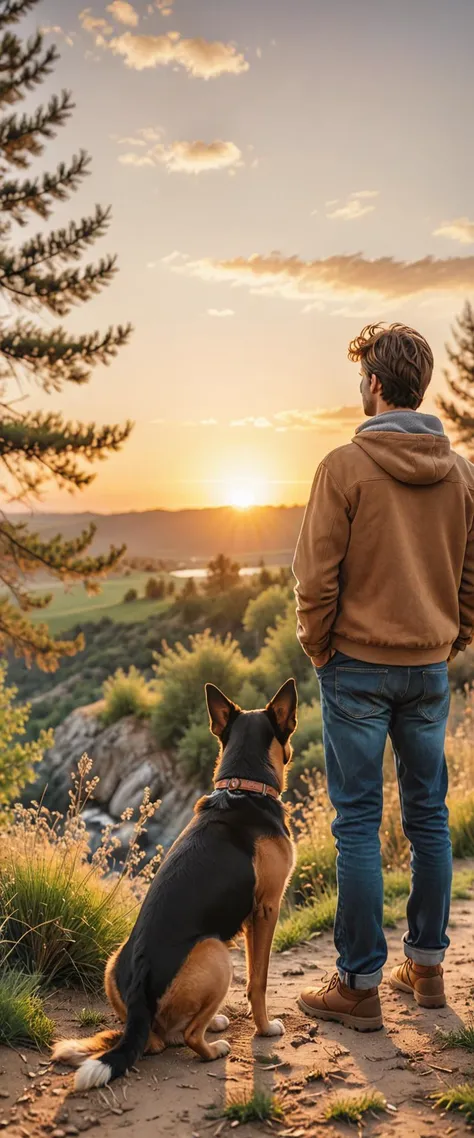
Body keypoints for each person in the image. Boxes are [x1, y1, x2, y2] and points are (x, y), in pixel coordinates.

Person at [292, 322, 474, 1031]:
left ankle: (359, 986)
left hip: (357, 670)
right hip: (428, 667)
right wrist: (451, 637)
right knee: (430, 817)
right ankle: (426, 972)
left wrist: (319, 649)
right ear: (417, 385)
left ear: (373, 385)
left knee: (358, 823)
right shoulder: (462, 474)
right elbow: (470, 578)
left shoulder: (343, 466)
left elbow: (315, 579)